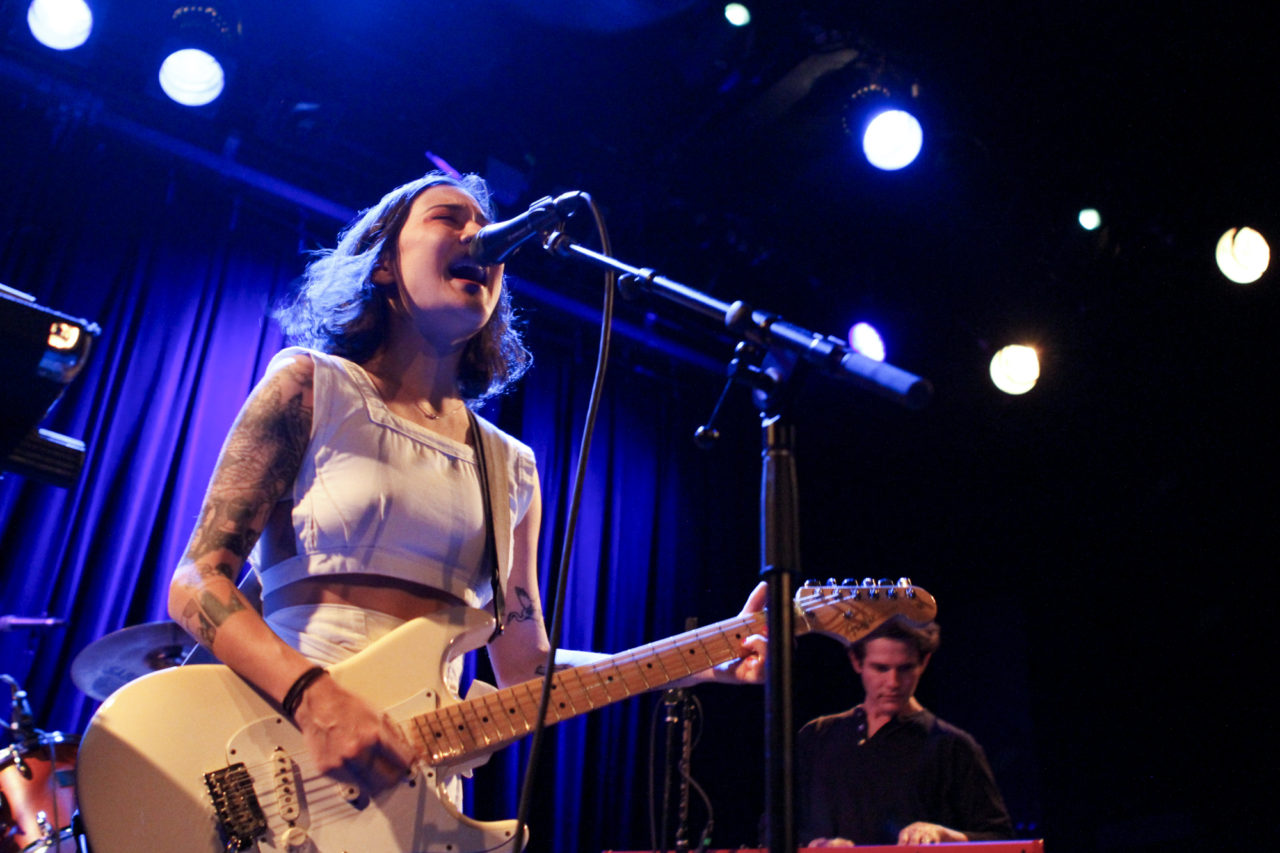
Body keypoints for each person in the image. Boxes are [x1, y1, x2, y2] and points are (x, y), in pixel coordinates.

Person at [166, 170, 766, 802]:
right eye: (447, 218)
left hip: (424, 797)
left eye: (482, 225)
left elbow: (528, 668)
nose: (478, 235)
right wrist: (315, 699)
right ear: (384, 267)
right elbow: (195, 583)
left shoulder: (511, 466)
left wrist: (702, 658)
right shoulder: (311, 387)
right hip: (279, 756)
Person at [796, 615, 1013, 847]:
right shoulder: (817, 736)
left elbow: (999, 839)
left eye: (905, 668)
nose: (893, 682)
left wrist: (944, 835)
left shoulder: (952, 746)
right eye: (881, 668)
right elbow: (774, 824)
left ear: (924, 662)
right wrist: (814, 845)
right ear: (856, 662)